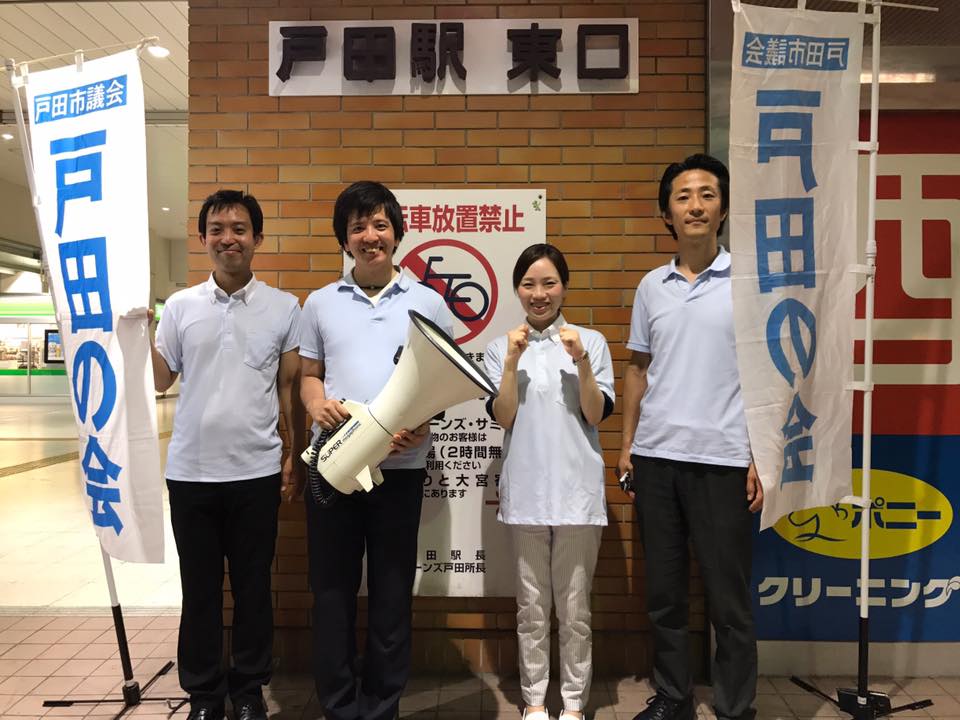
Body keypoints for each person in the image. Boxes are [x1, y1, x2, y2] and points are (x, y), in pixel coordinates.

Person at [299, 181, 454, 720]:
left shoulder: (428, 302)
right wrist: (315, 403)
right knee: (331, 592)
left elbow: (443, 381)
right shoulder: (320, 303)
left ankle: (382, 706)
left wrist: (424, 423)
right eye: (358, 227)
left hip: (400, 468)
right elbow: (310, 374)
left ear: (397, 233)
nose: (371, 236)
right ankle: (339, 706)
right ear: (344, 239)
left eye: (380, 225)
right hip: (332, 465)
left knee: (391, 595)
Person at [617, 154, 762, 720]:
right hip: (656, 460)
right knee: (665, 594)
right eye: (683, 196)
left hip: (725, 460)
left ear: (722, 209)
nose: (695, 205)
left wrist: (762, 455)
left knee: (729, 599)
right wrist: (627, 447)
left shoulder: (748, 283)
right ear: (667, 214)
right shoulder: (652, 287)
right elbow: (637, 369)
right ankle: (673, 698)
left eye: (706, 194)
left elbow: (769, 375)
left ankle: (735, 708)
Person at [151, 189, 305, 720]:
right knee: (199, 590)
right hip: (190, 473)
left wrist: (291, 456)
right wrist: (136, 334)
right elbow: (161, 379)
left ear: (257, 238)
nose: (228, 238)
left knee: (252, 588)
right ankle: (203, 694)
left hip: (256, 471)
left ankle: (248, 691)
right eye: (217, 229)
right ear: (203, 238)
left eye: (239, 229)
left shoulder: (284, 307)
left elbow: (288, 390)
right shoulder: (180, 307)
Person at [485, 244, 615, 720]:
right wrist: (510, 363)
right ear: (517, 290)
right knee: (531, 608)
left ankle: (574, 704)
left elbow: (595, 413)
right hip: (526, 492)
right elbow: (503, 416)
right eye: (529, 284)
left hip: (577, 493)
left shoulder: (590, 341)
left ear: (564, 287)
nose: (539, 294)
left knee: (575, 610)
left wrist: (581, 361)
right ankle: (535, 702)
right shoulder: (501, 347)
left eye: (549, 283)